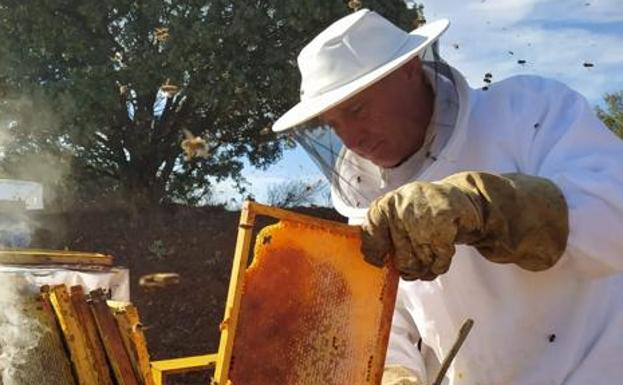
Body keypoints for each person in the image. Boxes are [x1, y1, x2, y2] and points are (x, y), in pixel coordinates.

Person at [271, 8, 623, 385]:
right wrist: (395, 372)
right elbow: (391, 313)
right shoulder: (368, 198)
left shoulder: (529, 110)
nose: (351, 140)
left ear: (408, 69)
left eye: (357, 109)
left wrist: (484, 207)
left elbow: (612, 218)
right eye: (333, 125)